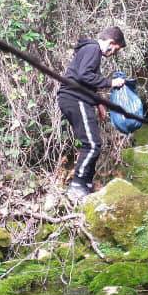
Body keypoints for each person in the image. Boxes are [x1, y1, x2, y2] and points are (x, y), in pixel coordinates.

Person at [58, 27, 126, 201]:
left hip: (78, 98)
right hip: (75, 98)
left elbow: (88, 81)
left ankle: (86, 185)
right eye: (115, 49)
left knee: (94, 143)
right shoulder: (93, 49)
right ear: (111, 43)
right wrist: (111, 83)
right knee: (92, 144)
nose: (113, 53)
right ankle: (76, 186)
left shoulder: (90, 50)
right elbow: (83, 76)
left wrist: (99, 103)